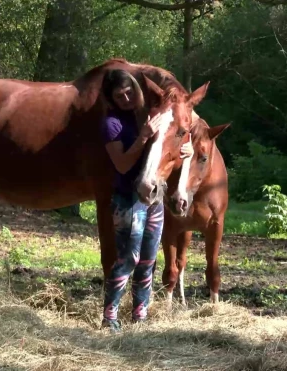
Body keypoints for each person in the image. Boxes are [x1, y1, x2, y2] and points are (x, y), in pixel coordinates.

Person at [100, 69, 193, 332]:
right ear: (111, 99)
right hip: (127, 199)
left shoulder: (148, 112)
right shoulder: (112, 124)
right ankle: (110, 317)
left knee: (149, 259)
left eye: (130, 91)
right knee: (128, 256)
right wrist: (143, 136)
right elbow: (121, 164)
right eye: (119, 96)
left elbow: (175, 134)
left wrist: (187, 148)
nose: (127, 98)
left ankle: (140, 315)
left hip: (154, 196)